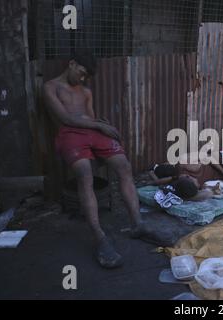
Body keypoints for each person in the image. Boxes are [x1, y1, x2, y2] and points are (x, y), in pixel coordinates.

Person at [43, 51, 153, 269]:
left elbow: (91, 118)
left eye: (86, 76)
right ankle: (99, 237)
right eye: (81, 73)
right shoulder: (51, 87)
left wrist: (101, 125)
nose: (82, 79)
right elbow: (64, 118)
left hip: (92, 131)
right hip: (69, 134)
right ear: (72, 63)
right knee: (84, 174)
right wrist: (99, 126)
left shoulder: (86, 91)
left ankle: (138, 224)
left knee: (124, 166)